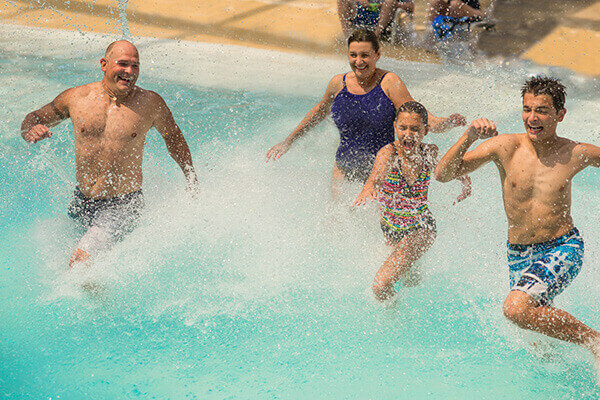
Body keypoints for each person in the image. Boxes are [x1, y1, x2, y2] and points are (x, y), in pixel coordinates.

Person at [434, 76, 600, 367]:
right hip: (519, 253)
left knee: (514, 309)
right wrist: (469, 135)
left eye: (542, 111)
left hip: (563, 247)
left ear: (560, 114)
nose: (532, 118)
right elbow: (443, 175)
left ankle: (594, 341)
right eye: (527, 109)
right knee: (538, 347)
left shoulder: (575, 153)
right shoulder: (505, 147)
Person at [21, 40, 199, 269]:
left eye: (135, 66)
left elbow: (173, 137)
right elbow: (34, 118)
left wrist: (190, 175)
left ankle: (102, 303)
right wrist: (30, 131)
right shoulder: (77, 98)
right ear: (104, 64)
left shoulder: (150, 103)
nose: (130, 72)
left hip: (122, 205)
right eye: (123, 64)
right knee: (74, 265)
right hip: (82, 201)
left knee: (79, 263)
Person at [266, 29, 465, 194]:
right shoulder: (338, 83)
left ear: (377, 55)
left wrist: (446, 122)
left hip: (382, 171)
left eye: (365, 55)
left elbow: (416, 116)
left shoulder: (389, 82)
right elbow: (318, 113)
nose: (358, 61)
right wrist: (288, 141)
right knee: (336, 225)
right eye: (353, 55)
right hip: (344, 168)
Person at [353, 101, 471, 301]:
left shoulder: (429, 153)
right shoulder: (389, 153)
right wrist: (369, 187)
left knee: (380, 286)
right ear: (395, 127)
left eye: (415, 129)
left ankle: (394, 316)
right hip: (390, 229)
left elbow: (447, 169)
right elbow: (376, 176)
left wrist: (464, 181)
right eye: (403, 128)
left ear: (425, 130)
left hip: (421, 227)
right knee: (410, 281)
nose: (408, 134)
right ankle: (409, 310)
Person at [337, 0, 415, 39]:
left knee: (389, 2)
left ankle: (374, 37)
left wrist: (395, 4)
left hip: (384, 16)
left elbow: (411, 7)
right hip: (364, 9)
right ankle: (347, 35)